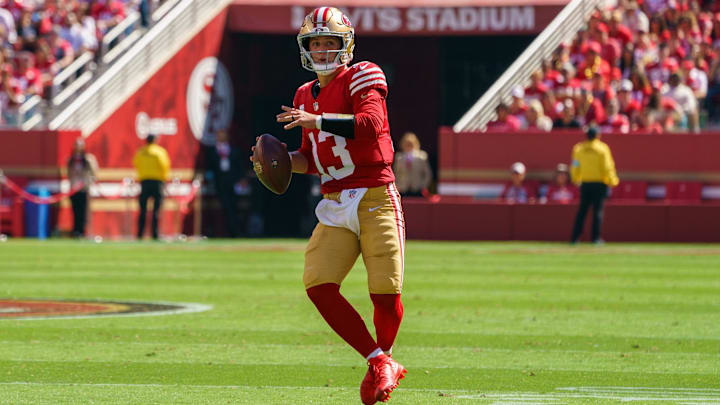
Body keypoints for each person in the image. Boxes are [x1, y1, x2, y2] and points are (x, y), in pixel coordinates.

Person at [252, 7, 406, 404]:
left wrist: (316, 121)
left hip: (375, 194)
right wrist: (279, 162)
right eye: (315, 43)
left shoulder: (362, 75)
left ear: (346, 45)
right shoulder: (305, 94)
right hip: (335, 200)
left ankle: (385, 358)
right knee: (319, 284)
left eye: (329, 42)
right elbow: (311, 157)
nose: (322, 50)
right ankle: (377, 360)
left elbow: (371, 124)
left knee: (384, 292)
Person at [570, 127, 619, 244]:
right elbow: (607, 166)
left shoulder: (579, 148)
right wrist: (612, 180)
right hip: (599, 183)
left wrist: (575, 178)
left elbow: (575, 165)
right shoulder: (602, 148)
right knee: (598, 212)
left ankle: (575, 238)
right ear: (598, 135)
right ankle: (595, 238)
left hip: (585, 183)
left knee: (582, 211)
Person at [133, 134, 170, 240]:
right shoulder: (160, 152)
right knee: (156, 210)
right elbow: (164, 166)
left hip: (144, 182)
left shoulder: (141, 152)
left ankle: (140, 234)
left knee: (143, 210)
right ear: (155, 140)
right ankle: (155, 234)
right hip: (157, 182)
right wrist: (164, 179)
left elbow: (136, 164)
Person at [205, 129, 241, 237]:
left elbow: (239, 166)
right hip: (220, 183)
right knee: (226, 207)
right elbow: (209, 167)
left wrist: (241, 179)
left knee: (234, 206)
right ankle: (227, 231)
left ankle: (234, 231)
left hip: (233, 182)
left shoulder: (234, 150)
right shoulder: (212, 151)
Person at [67, 137, 98, 238]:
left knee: (83, 211)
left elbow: (94, 172)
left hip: (83, 189)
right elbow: (69, 173)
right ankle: (76, 231)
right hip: (73, 189)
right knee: (75, 211)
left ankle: (82, 231)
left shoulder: (88, 159)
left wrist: (89, 182)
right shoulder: (71, 159)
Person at [393, 132, 432, 197]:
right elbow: (396, 173)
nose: (408, 146)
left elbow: (428, 174)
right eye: (406, 144)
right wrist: (398, 185)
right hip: (403, 189)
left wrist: (423, 186)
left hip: (417, 189)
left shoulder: (421, 156)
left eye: (410, 144)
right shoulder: (399, 157)